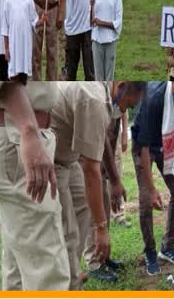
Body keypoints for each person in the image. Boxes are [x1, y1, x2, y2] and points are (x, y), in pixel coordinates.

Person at [51, 82, 145, 289]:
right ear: (121, 86)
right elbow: (90, 170)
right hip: (52, 158)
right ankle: (68, 282)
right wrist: (101, 229)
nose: (123, 112)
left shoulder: (104, 96)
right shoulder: (94, 99)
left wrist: (116, 180)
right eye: (127, 106)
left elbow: (101, 140)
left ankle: (75, 270)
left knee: (83, 209)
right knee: (67, 228)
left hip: (68, 157)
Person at [0, 80, 69, 290]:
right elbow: (6, 71)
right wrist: (29, 129)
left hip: (13, 134)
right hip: (18, 137)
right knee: (47, 276)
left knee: (18, 268)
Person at [131, 81, 174, 275]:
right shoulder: (154, 97)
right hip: (144, 144)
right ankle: (150, 251)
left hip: (166, 140)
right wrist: (152, 189)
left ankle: (167, 247)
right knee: (145, 201)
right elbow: (143, 147)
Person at [3, 0, 46, 81]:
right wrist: (6, 49)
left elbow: (34, 20)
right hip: (13, 45)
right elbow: (5, 28)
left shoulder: (29, 0)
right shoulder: (8, 2)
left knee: (25, 75)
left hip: (26, 44)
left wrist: (41, 21)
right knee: (14, 74)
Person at [90, 0, 123, 80]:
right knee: (98, 77)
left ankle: (109, 98)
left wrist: (102, 23)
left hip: (110, 41)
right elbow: (91, 21)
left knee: (109, 77)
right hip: (97, 40)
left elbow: (118, 22)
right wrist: (91, 6)